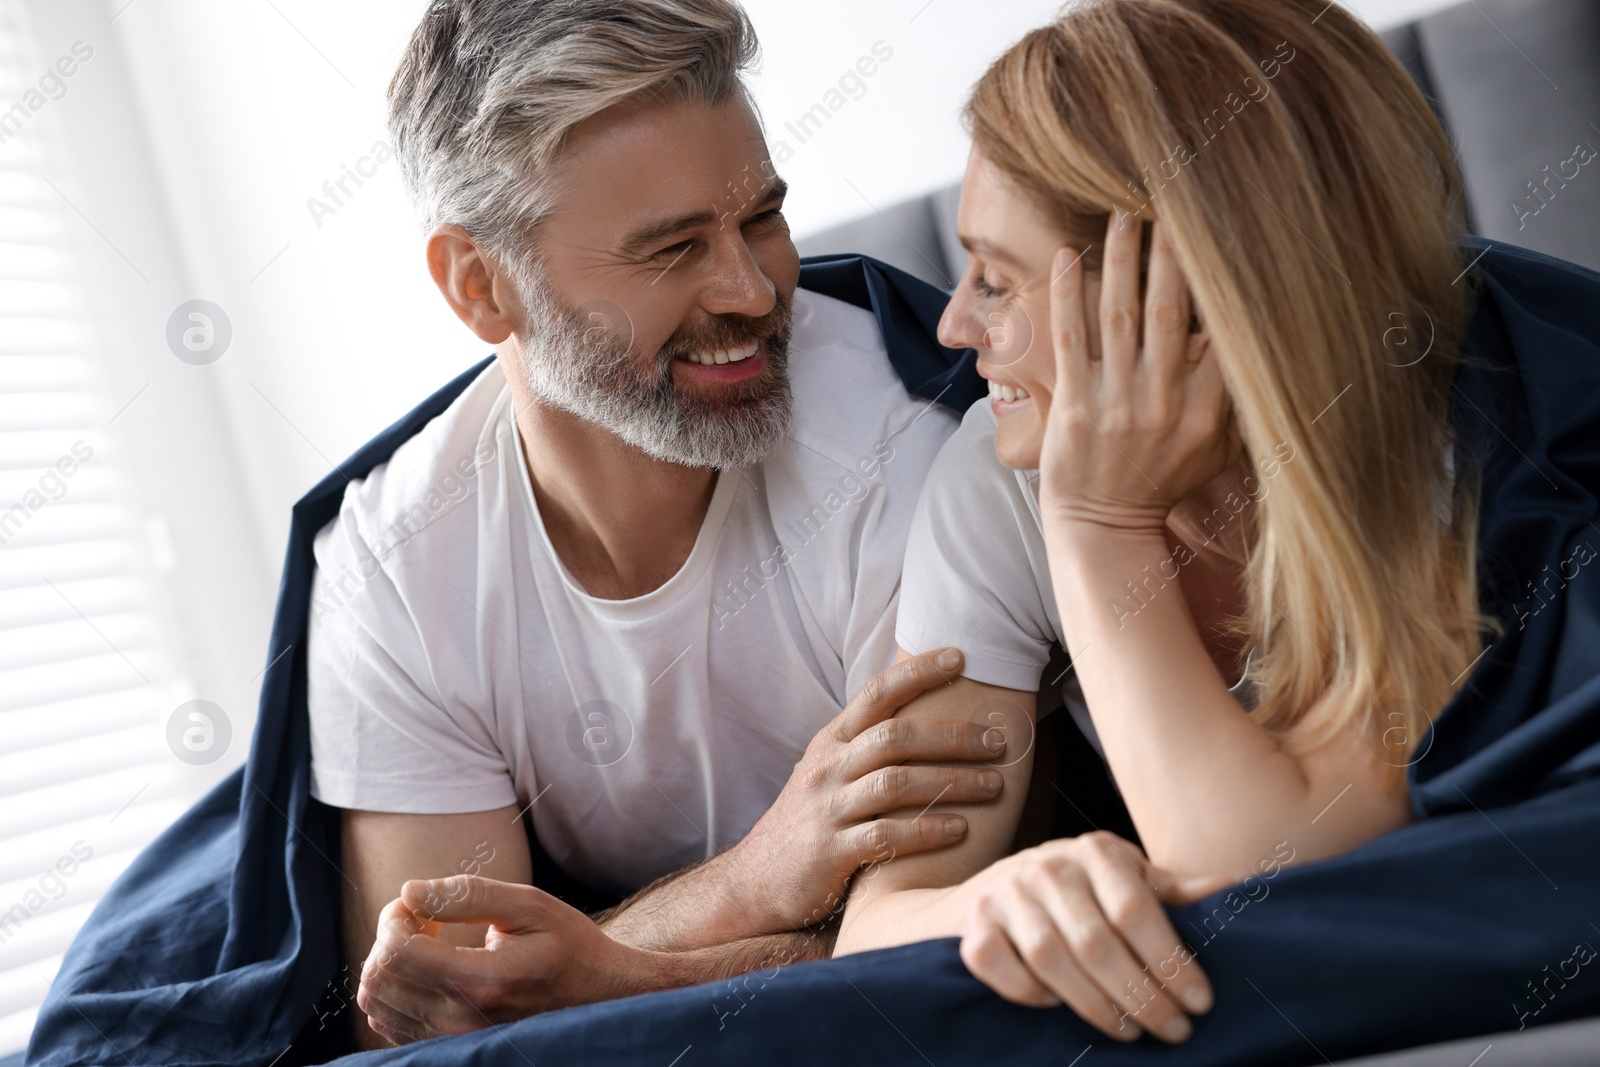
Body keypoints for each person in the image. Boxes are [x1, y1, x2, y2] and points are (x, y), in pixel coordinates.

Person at [307, 0, 1006, 1048]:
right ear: (480, 285)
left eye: (760, 217)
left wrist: (599, 972)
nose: (752, 287)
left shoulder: (905, 452)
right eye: (672, 248)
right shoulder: (395, 561)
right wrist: (749, 881)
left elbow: (942, 957)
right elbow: (431, 1014)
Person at [832, 0, 1494, 1048]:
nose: (954, 329)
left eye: (996, 280)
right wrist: (999, 897)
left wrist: (1098, 523)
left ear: (1176, 296)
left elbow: (1273, 888)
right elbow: (873, 924)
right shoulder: (996, 473)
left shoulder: (1464, 446)